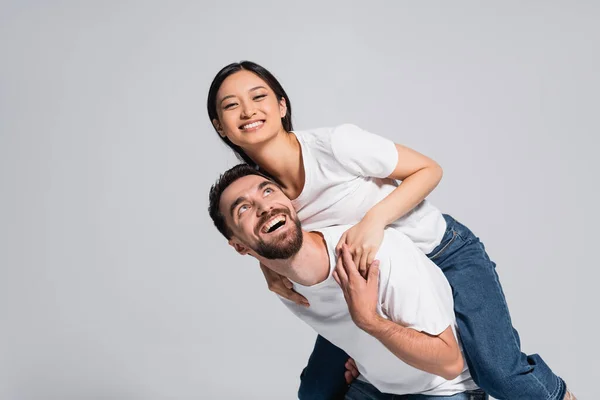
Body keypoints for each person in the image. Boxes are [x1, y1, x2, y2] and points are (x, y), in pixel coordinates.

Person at [206, 61, 575, 400]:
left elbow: (428, 169)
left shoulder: (335, 144)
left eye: (258, 97)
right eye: (231, 105)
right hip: (377, 286)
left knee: (500, 375)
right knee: (317, 389)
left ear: (282, 105)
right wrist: (266, 266)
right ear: (220, 126)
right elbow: (271, 237)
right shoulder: (261, 191)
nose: (249, 110)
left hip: (443, 253)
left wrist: (374, 221)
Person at [208, 164, 487, 399]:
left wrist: (370, 322)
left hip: (442, 389)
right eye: (242, 209)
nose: (264, 207)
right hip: (375, 385)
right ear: (240, 246)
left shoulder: (378, 255)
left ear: (290, 202)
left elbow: (450, 363)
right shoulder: (284, 284)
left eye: (268, 191)